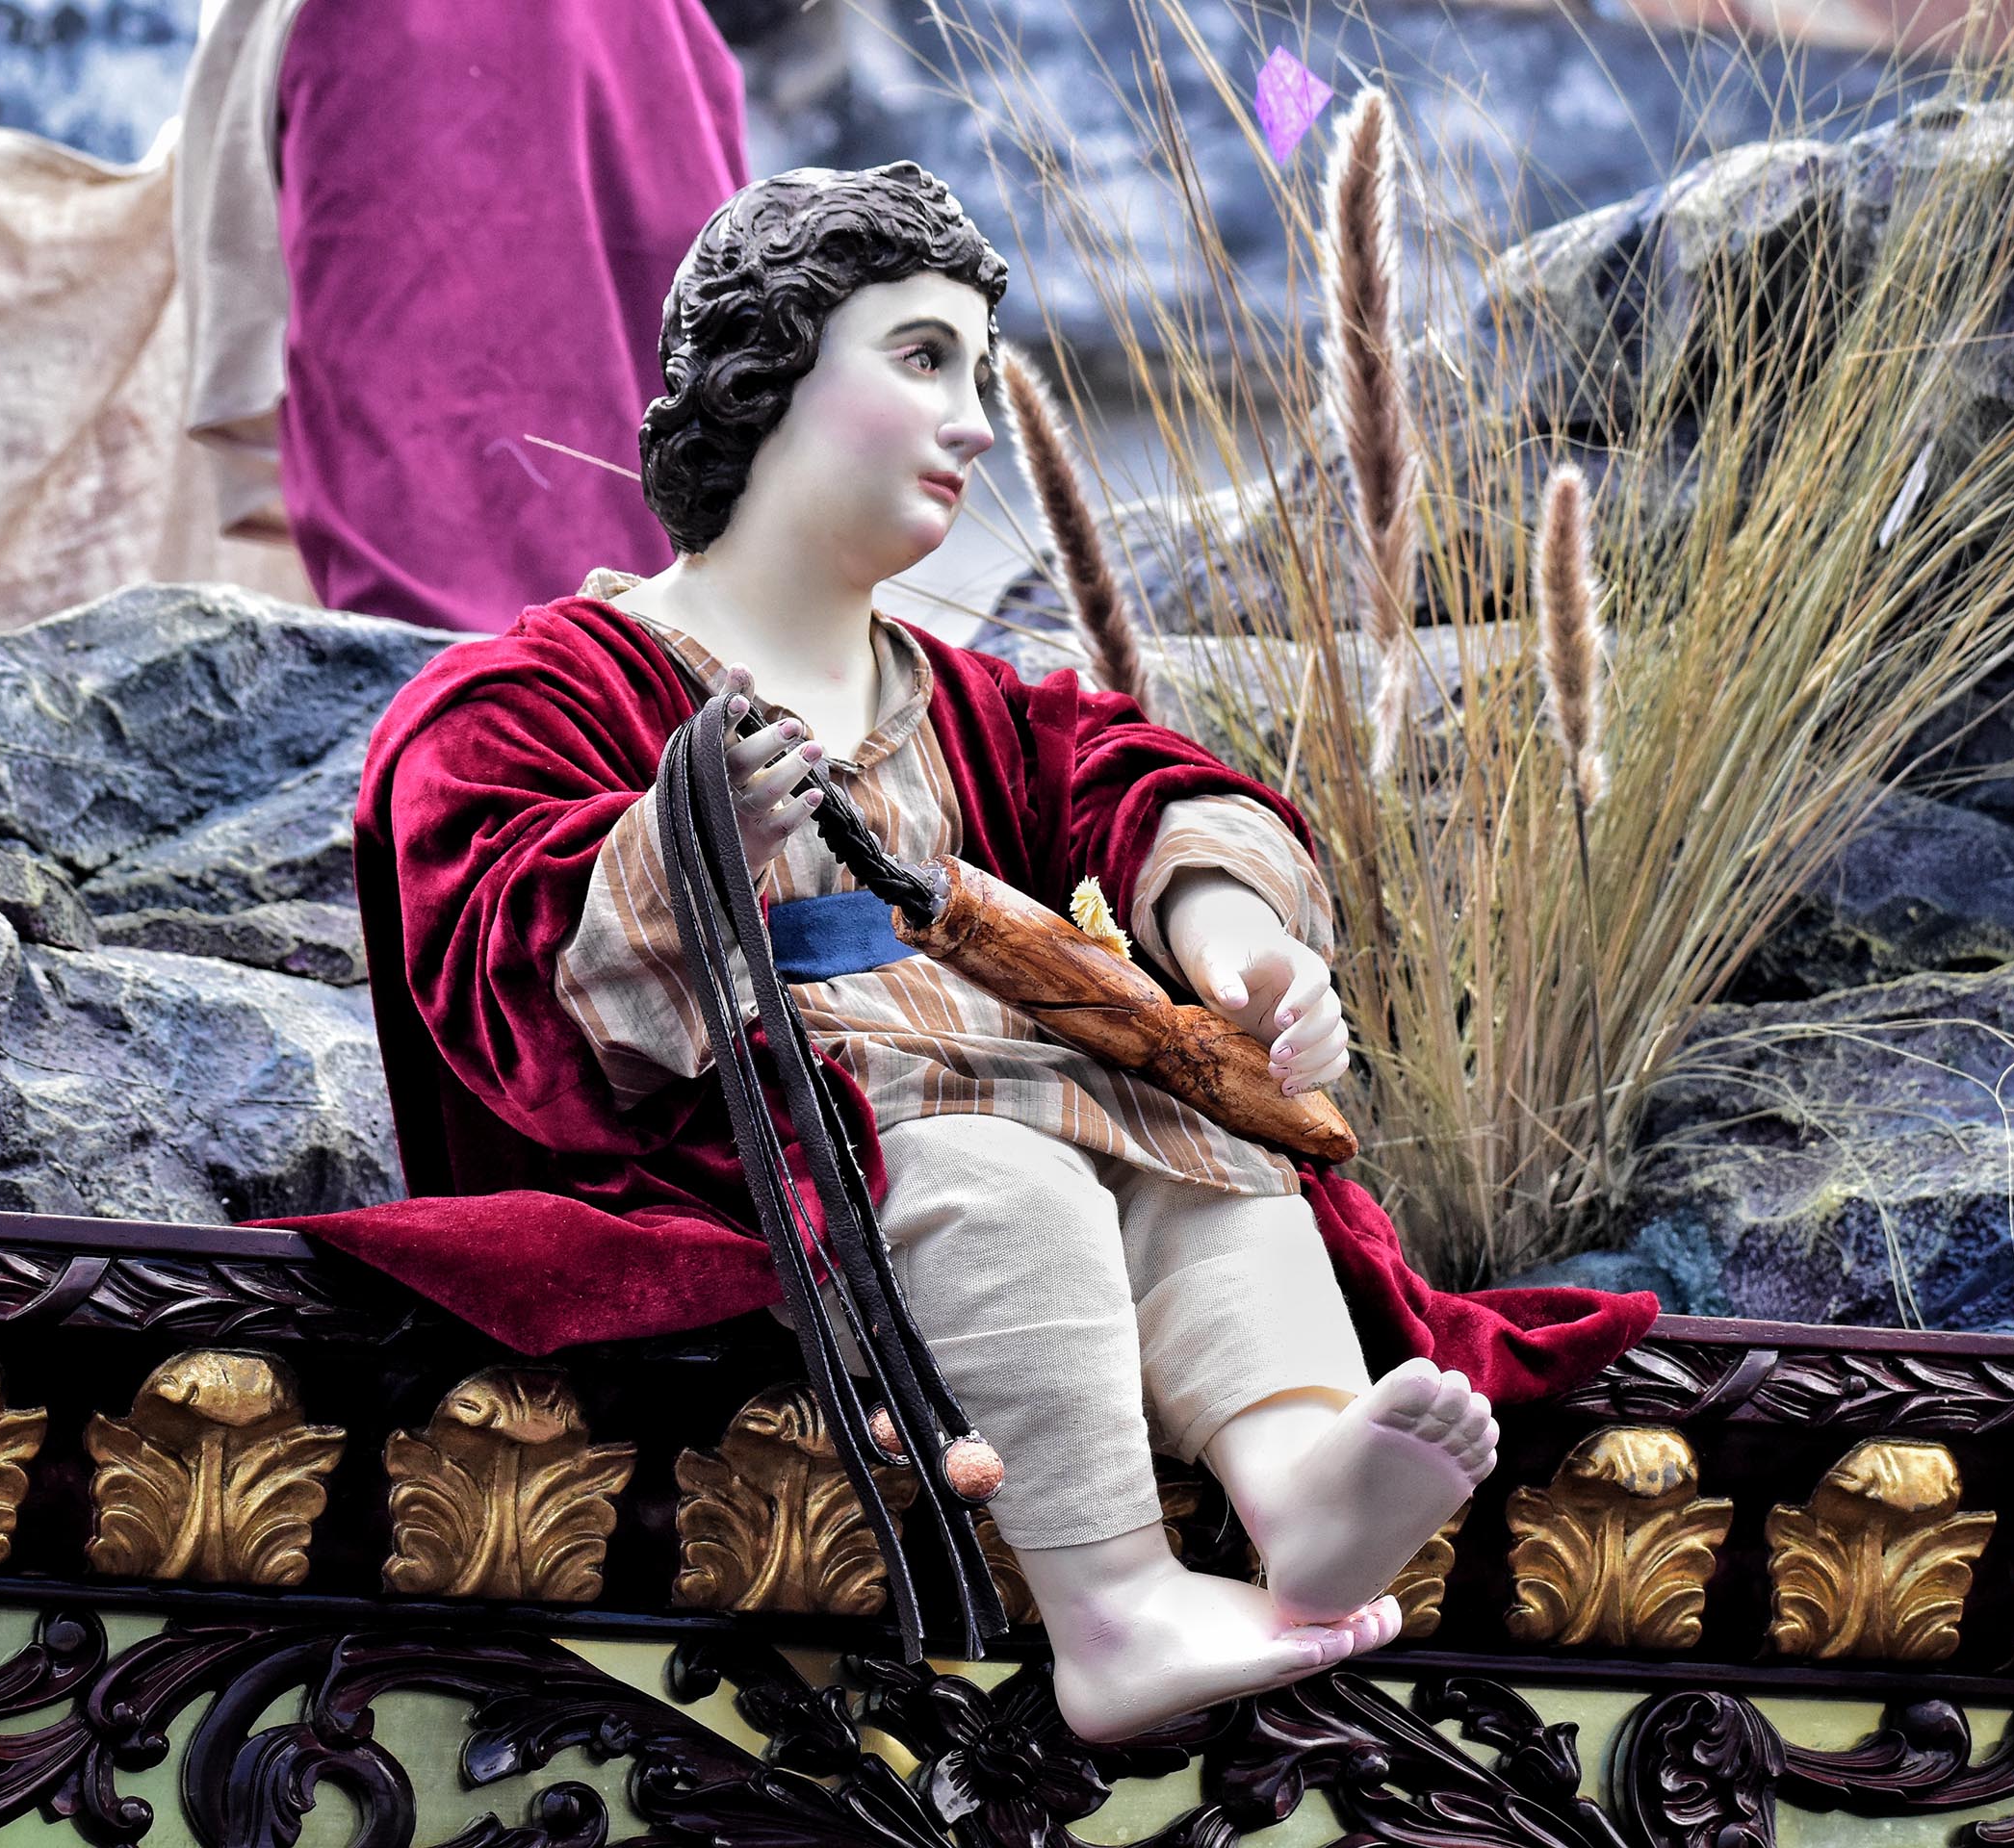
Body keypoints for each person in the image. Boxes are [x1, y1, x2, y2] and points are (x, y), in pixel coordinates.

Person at [295, 161, 1657, 1741]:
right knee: (997, 1176)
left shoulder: (975, 705)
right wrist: (691, 833)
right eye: (922, 358)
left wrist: (1234, 944)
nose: (976, 423)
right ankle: (1115, 1605)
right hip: (796, 1136)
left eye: (979, 371)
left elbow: (1137, 785)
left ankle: (1300, 1479)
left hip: (1036, 1070)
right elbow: (496, 949)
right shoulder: (543, 690)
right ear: (765, 374)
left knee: (1218, 1162)